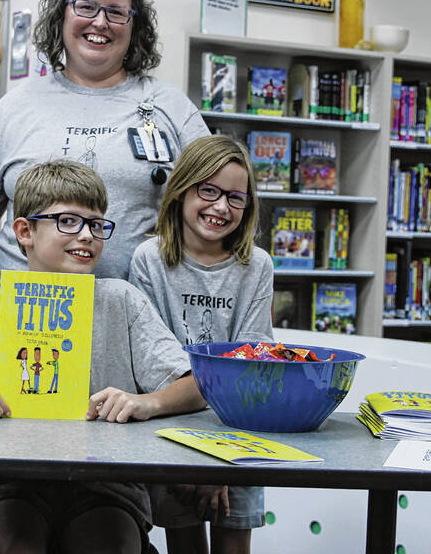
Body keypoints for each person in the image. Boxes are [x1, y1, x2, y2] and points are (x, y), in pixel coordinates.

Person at [0, 159, 206, 554]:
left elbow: (195, 385)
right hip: (10, 484)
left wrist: (146, 402)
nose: (87, 235)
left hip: (107, 485)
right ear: (24, 231)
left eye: (96, 224)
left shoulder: (122, 303)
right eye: (68, 222)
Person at [0, 0, 209, 287]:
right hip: (21, 322)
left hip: (134, 321)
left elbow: (218, 204)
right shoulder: (15, 107)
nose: (100, 22)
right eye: (85, 7)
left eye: (116, 12)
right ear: (61, 15)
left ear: (135, 26)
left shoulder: (172, 108)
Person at [128, 135, 274, 554]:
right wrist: (192, 460)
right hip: (173, 432)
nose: (221, 207)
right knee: (184, 543)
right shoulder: (149, 260)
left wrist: (222, 463)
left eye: (235, 197)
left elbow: (252, 366)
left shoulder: (256, 266)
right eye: (208, 191)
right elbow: (152, 364)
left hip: (241, 435)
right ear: (182, 189)